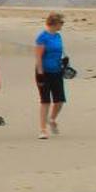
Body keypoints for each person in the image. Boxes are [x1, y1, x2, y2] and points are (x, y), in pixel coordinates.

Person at [34, 11, 68, 139]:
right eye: (61, 23)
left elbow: (60, 50)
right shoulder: (42, 37)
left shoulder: (58, 36)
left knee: (59, 101)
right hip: (43, 72)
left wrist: (65, 59)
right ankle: (42, 130)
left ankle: (52, 119)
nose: (62, 25)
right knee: (45, 101)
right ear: (54, 23)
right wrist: (40, 73)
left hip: (57, 71)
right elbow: (38, 57)